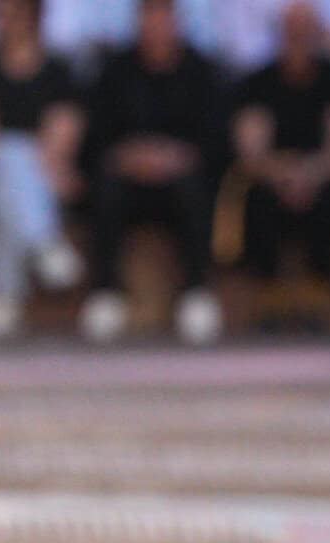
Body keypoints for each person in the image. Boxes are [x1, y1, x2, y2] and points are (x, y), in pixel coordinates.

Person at [78, 0, 229, 344]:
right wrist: (130, 156)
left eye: (164, 17)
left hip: (182, 179)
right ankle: (105, 293)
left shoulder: (202, 70)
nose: (157, 25)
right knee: (105, 189)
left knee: (196, 190)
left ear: (177, 22)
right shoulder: (114, 69)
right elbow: (95, 137)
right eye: (150, 17)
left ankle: (196, 293)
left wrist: (176, 157)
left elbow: (216, 139)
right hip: (126, 179)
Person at [226, 0, 330, 330]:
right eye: (292, 32)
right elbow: (251, 150)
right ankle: (269, 295)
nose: (298, 40)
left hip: (322, 176)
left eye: (305, 32)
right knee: (257, 198)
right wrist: (284, 176)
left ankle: (319, 294)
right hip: (273, 177)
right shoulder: (258, 82)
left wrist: (311, 175)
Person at [0, 0, 84, 340]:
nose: (9, 21)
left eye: (17, 12)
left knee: (8, 187)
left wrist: (27, 162)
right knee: (7, 160)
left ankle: (3, 299)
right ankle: (42, 241)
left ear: (35, 15)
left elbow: (59, 145)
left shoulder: (59, 71)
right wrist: (22, 157)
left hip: (40, 180)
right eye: (3, 13)